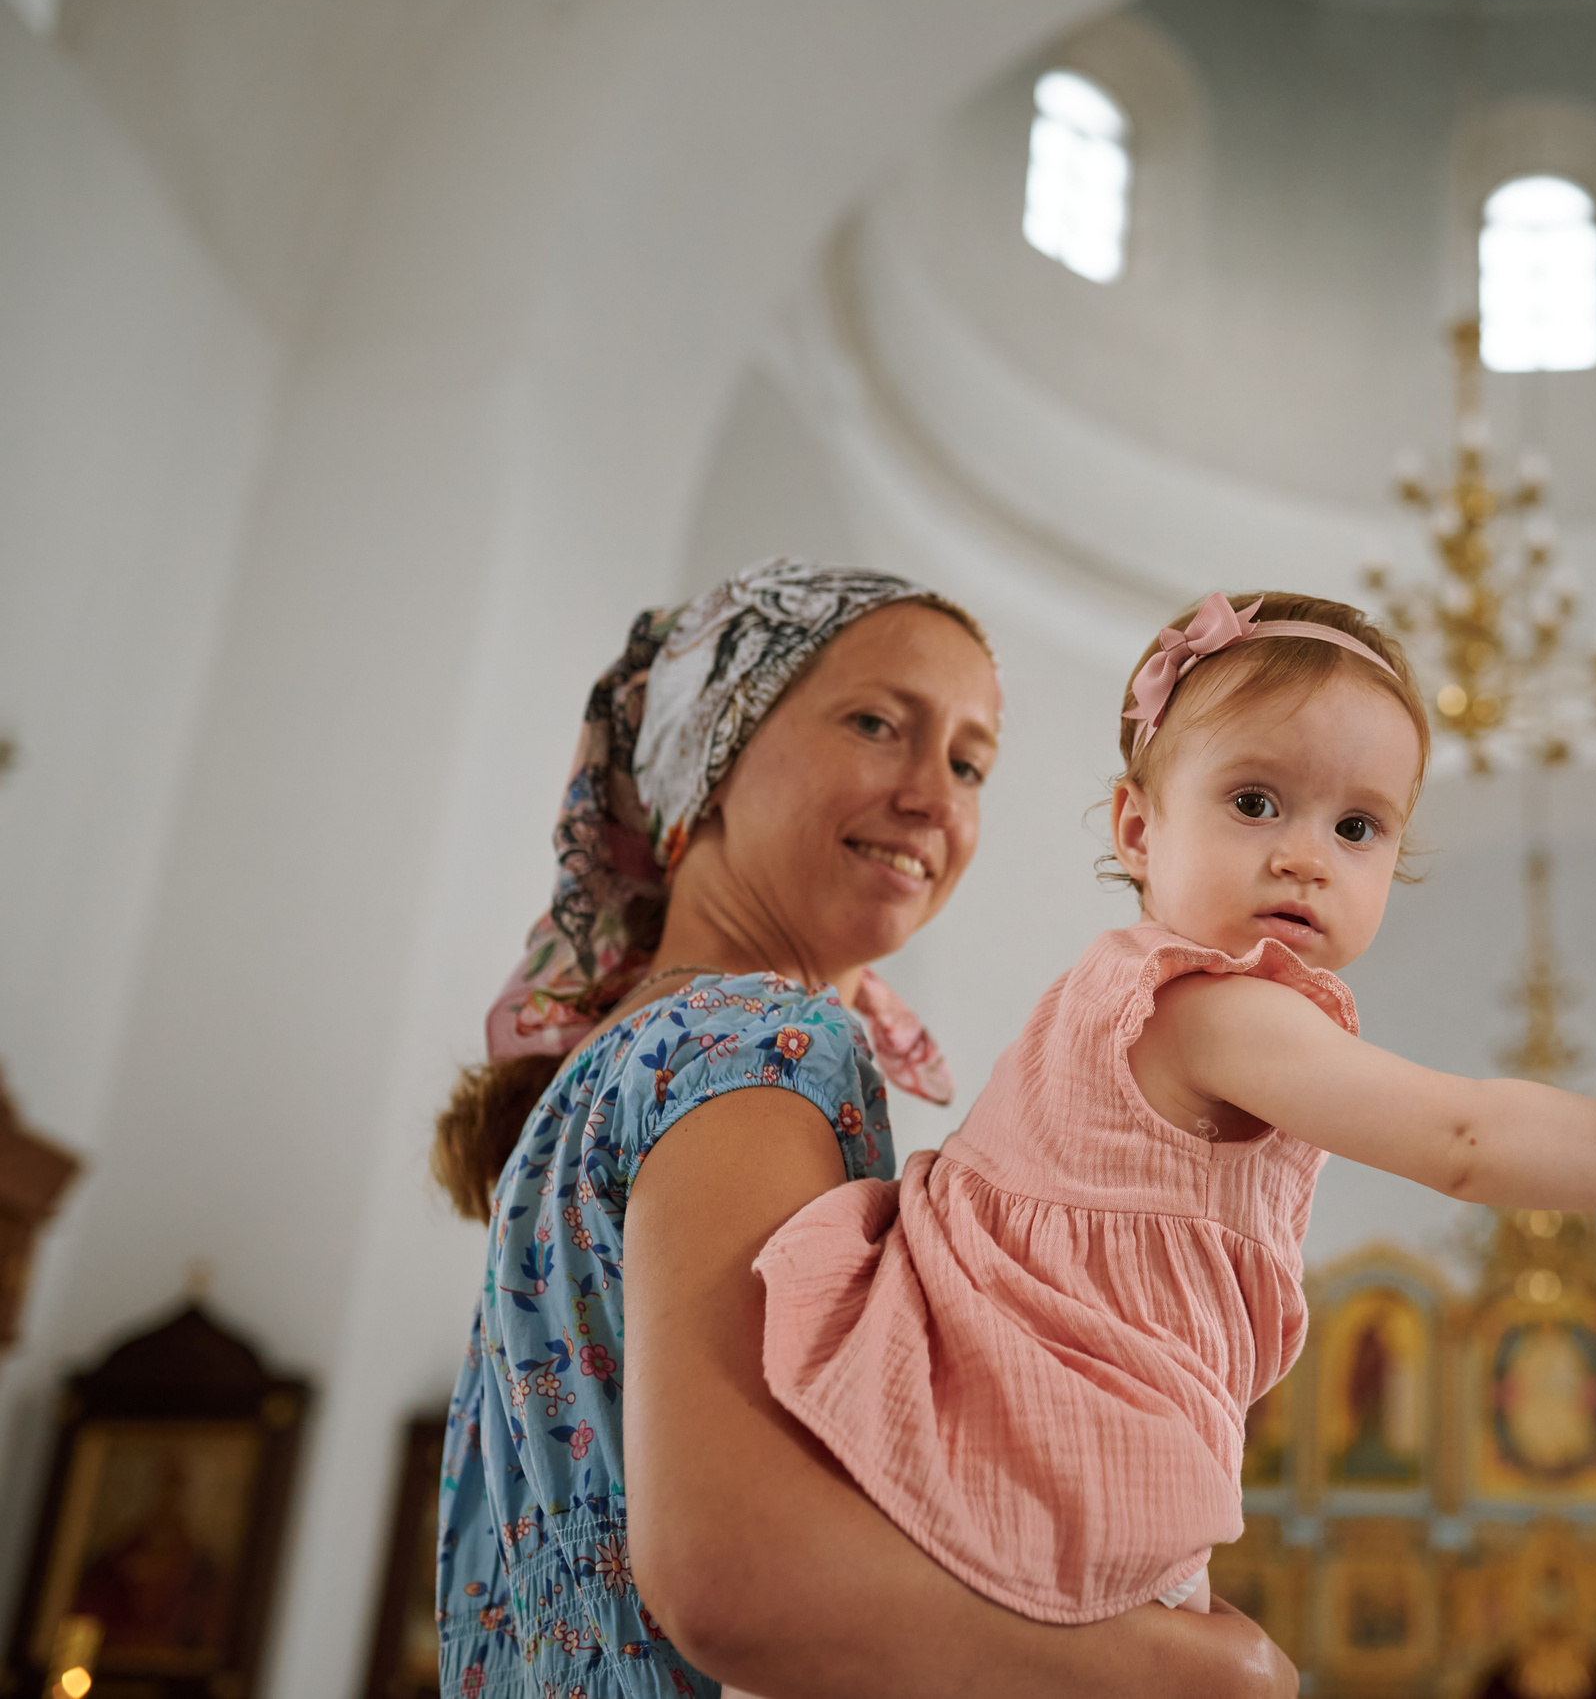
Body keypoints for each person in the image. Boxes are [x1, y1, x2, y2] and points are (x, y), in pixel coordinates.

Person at [756, 591, 1596, 1625]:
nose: (1303, 854)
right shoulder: (1209, 1007)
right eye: (1254, 801)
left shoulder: (1133, 994)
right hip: (1048, 1434)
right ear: (1137, 829)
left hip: (1005, 1411)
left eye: (1358, 827)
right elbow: (1465, 1141)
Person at [432, 560, 1299, 1699]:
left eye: (968, 761)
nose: (934, 798)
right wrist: (1201, 1669)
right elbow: (737, 1576)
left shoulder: (624, 1052)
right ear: (715, 754)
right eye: (878, 723)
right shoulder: (753, 1037)